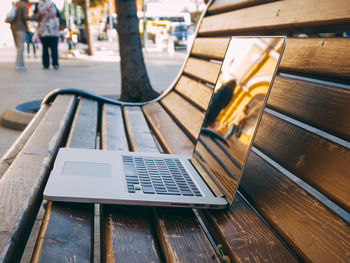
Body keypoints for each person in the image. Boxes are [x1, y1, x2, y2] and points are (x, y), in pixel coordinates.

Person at [35, 0, 60, 69]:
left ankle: (46, 65)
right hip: (54, 31)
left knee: (45, 49)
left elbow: (36, 17)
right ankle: (55, 64)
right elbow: (58, 15)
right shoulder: (52, 4)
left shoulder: (38, 5)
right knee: (54, 49)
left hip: (44, 31)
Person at [10, 0, 29, 71]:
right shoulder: (24, 5)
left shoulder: (16, 4)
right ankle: (19, 64)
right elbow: (25, 17)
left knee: (18, 46)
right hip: (21, 28)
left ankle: (19, 63)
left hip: (13, 27)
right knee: (21, 46)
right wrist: (35, 17)